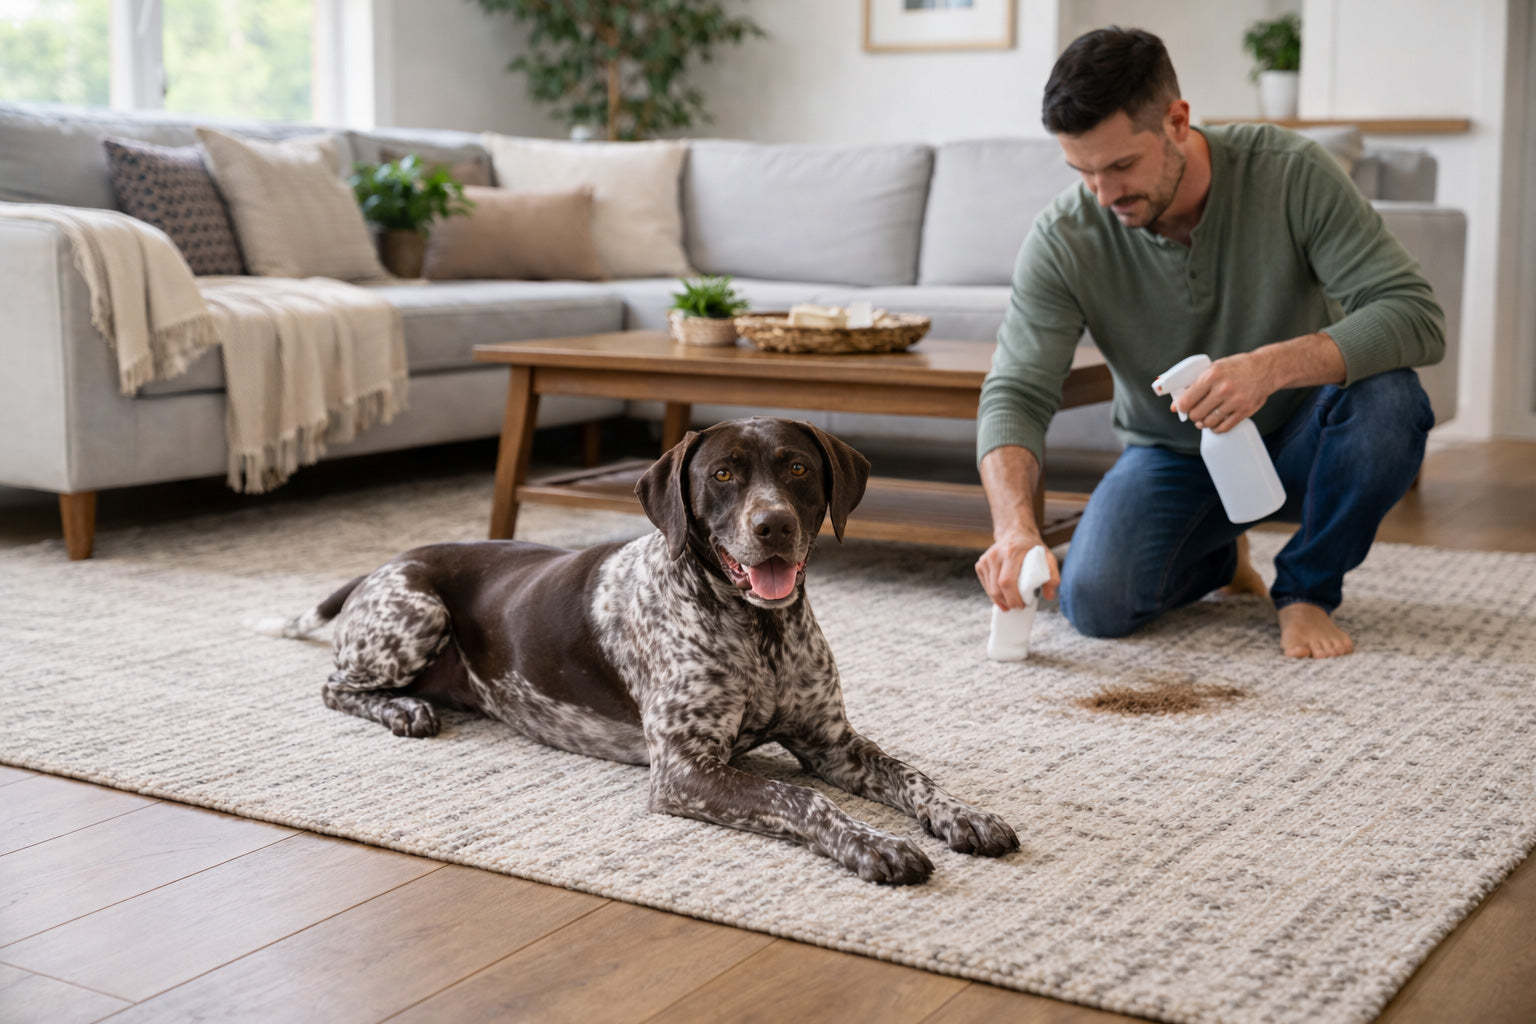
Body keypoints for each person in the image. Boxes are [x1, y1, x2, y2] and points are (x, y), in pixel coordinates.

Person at [974, 27, 1444, 659]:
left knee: (1392, 399)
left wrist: (1269, 368)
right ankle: (1219, 558)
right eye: (1082, 171)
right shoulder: (1064, 236)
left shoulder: (1289, 172)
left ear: (1177, 121)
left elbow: (1415, 314)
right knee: (1096, 605)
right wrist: (1013, 527)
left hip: (1309, 434)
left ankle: (1306, 589)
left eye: (1120, 166)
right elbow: (1017, 391)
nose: (1105, 195)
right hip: (1175, 456)